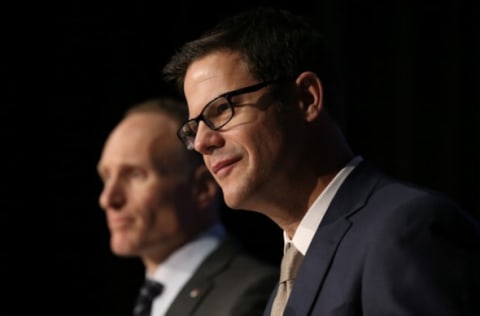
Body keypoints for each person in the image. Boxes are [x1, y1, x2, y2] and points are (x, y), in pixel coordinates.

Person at [161, 6, 480, 316]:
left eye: (222, 109)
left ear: (307, 98)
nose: (202, 142)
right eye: (193, 128)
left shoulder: (405, 230)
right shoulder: (289, 275)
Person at [97, 96, 279, 316]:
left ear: (202, 188)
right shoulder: (150, 298)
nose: (108, 199)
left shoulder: (252, 294)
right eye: (106, 177)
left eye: (135, 174)